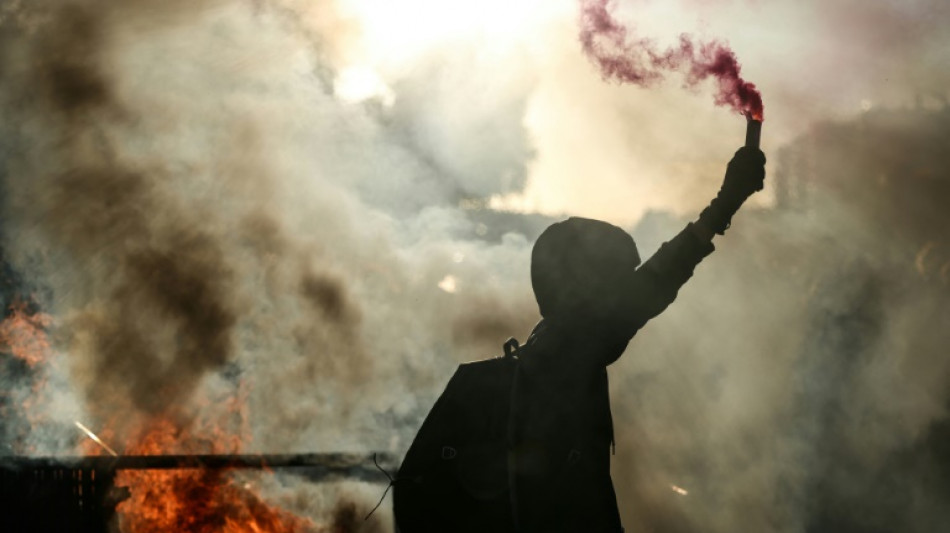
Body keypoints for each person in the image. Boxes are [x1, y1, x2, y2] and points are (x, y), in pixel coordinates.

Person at [508, 146, 766, 532]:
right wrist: (723, 205)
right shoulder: (571, 349)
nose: (622, 293)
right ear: (581, 288)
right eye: (613, 283)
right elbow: (653, 284)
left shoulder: (548, 345)